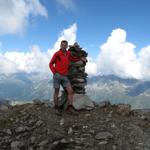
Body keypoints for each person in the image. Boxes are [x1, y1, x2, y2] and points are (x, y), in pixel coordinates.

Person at [49, 40, 78, 115]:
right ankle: (56, 107)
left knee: (70, 91)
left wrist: (81, 59)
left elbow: (73, 59)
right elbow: (50, 64)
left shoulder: (68, 53)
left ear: (67, 46)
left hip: (65, 76)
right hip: (57, 76)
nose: (64, 46)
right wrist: (54, 72)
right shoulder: (57, 54)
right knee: (56, 91)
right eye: (62, 45)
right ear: (60, 46)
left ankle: (70, 108)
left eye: (65, 45)